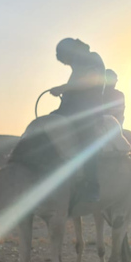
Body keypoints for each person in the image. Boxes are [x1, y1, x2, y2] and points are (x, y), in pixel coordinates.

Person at [49, 38, 106, 201]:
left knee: (86, 142)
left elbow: (92, 80)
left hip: (86, 111)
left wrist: (64, 88)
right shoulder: (79, 65)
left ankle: (92, 186)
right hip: (70, 110)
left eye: (66, 60)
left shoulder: (92, 58)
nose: (68, 64)